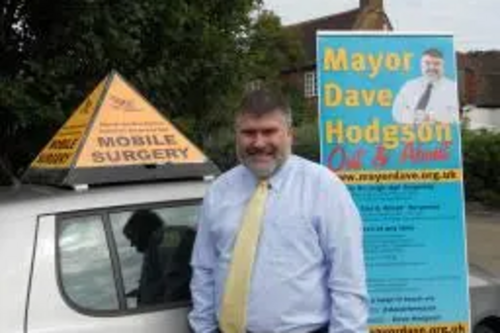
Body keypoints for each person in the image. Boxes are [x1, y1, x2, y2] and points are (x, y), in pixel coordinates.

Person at [189, 88, 368, 333]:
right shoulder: (219, 191)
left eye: (269, 131)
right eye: (249, 132)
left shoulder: (324, 187)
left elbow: (348, 281)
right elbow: (204, 269)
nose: (259, 142)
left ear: (289, 135)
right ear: (237, 135)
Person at [123, 209, 195, 305]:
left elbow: (176, 280)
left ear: (139, 231)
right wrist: (142, 292)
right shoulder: (156, 245)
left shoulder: (169, 236)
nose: (132, 244)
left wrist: (167, 308)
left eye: (131, 237)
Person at [392, 48, 459, 124]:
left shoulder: (453, 88)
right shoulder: (409, 86)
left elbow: (457, 116)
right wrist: (413, 117)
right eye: (427, 63)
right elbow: (397, 113)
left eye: (437, 64)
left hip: (443, 135)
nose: (431, 67)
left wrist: (430, 117)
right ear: (421, 65)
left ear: (443, 66)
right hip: (411, 134)